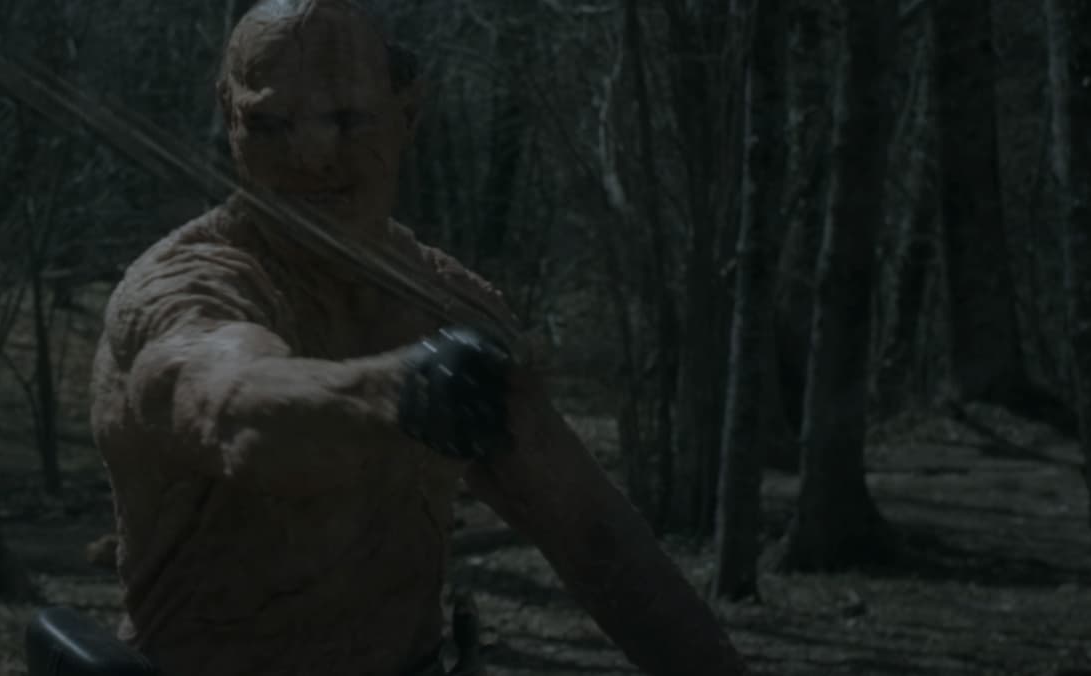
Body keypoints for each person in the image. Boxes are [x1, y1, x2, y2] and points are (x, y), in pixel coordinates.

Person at [86, 1, 750, 674]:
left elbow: (589, 533)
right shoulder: (183, 287)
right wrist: (398, 391)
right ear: (229, 115)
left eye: (347, 119)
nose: (310, 154)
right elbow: (230, 405)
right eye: (268, 123)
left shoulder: (446, 303)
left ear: (406, 113)